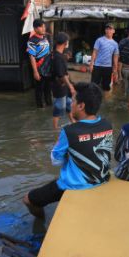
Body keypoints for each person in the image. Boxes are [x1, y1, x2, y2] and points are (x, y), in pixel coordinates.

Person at [23, 82, 113, 218]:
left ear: (81, 106)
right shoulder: (107, 125)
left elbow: (55, 160)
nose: (71, 103)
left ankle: (41, 224)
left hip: (75, 185)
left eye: (74, 100)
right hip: (101, 179)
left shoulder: (68, 131)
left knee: (28, 200)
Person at [50, 32, 75, 129]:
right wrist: (71, 86)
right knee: (59, 108)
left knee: (68, 104)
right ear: (65, 42)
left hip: (62, 85)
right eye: (67, 41)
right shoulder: (58, 57)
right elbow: (62, 75)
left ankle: (72, 121)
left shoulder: (56, 54)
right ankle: (55, 129)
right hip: (59, 86)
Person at [27, 19, 53, 108]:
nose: (43, 28)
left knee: (48, 89)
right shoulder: (32, 41)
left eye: (44, 26)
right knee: (39, 89)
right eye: (41, 27)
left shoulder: (46, 37)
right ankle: (40, 106)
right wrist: (35, 72)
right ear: (35, 28)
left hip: (48, 68)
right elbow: (32, 57)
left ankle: (49, 104)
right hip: (39, 68)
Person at [89, 23, 119, 93]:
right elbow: (94, 52)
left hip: (108, 67)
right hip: (97, 66)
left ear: (113, 31)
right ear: (105, 30)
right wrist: (91, 64)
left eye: (110, 29)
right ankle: (92, 101)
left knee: (106, 87)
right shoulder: (99, 40)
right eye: (107, 29)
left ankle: (104, 102)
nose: (108, 30)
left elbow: (115, 58)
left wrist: (115, 70)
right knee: (93, 86)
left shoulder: (115, 44)